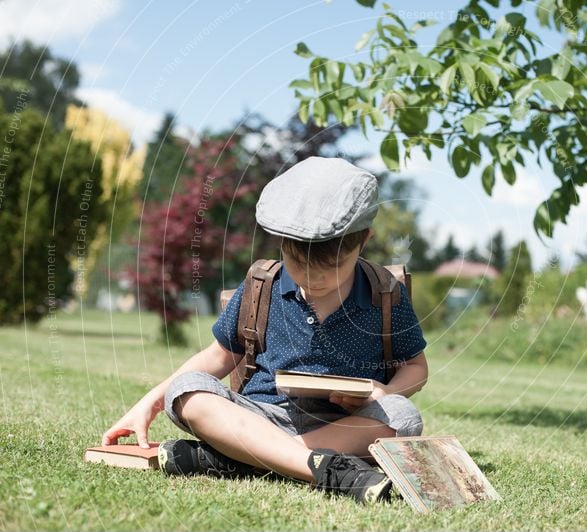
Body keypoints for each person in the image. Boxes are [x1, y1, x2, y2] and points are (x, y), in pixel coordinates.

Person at [101, 157, 428, 504]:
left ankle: (242, 459)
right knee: (186, 391)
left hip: (343, 426)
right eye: (299, 267)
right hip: (259, 417)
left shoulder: (385, 293)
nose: (311, 282)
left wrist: (383, 390)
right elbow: (217, 356)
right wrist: (149, 403)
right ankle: (327, 469)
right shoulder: (262, 285)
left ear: (363, 241)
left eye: (328, 272)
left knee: (403, 417)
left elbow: (416, 367)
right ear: (282, 244)